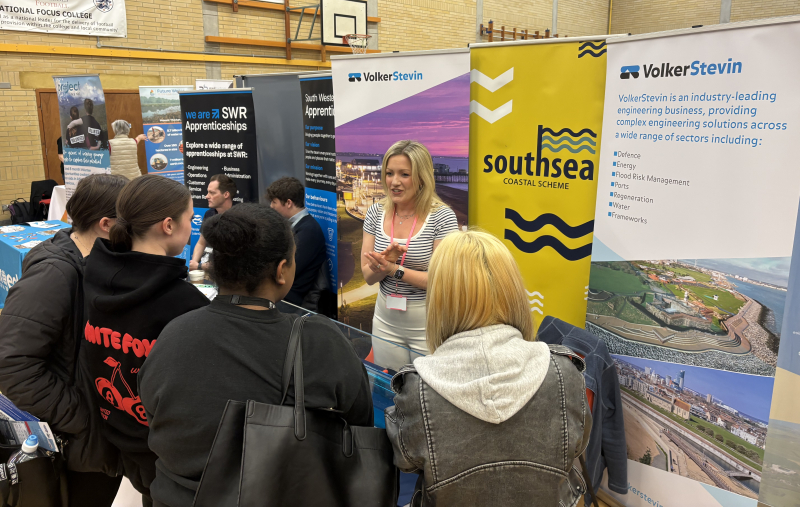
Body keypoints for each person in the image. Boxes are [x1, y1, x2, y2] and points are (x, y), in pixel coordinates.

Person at [138, 204, 373, 507]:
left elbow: (153, 411)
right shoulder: (320, 340)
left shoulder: (174, 332)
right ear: (280, 271)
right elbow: (359, 428)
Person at [384, 230, 592, 507]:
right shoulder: (565, 373)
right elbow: (576, 446)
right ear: (513, 290)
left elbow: (406, 461)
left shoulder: (417, 388)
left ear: (441, 299)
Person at [80, 175, 210, 505]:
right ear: (168, 225)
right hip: (168, 456)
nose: (191, 225)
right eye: (190, 218)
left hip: (116, 433)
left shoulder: (92, 274)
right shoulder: (184, 303)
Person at [0, 174, 128, 507]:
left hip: (92, 440)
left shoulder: (93, 263)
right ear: (105, 224)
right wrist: (82, 419)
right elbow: (12, 363)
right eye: (132, 221)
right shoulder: (55, 274)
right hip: (76, 445)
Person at [361, 140, 458, 370]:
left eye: (404, 174)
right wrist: (384, 264)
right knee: (392, 390)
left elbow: (441, 281)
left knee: (426, 392)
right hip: (385, 320)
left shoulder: (442, 217)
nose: (395, 182)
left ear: (422, 177)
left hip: (427, 323)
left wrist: (393, 269)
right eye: (389, 173)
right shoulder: (375, 212)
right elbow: (367, 276)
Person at [267, 176, 326, 305]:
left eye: (273, 202)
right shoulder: (290, 226)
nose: (270, 207)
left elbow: (287, 270)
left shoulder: (309, 231)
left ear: (288, 203)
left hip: (291, 300)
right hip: (278, 294)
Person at [189, 174, 236, 271]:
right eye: (207, 192)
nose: (206, 196)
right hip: (205, 270)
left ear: (226, 194)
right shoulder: (209, 214)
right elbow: (201, 243)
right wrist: (193, 264)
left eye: (212, 193)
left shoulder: (239, 217)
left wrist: (199, 266)